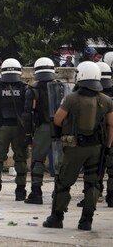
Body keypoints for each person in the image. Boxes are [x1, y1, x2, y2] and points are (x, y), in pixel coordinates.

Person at [43, 61, 113, 231]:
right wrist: (108, 147)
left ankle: (57, 217)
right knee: (93, 183)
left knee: (64, 182)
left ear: (80, 76)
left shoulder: (71, 98)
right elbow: (111, 125)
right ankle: (86, 221)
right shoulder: (106, 100)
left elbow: (58, 120)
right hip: (97, 147)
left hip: (74, 147)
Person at [0, 58, 28, 201]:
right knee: (20, 159)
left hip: (2, 127)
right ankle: (20, 191)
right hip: (19, 128)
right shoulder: (24, 87)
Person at [23, 57, 57, 205]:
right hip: (59, 127)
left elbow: (27, 114)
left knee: (37, 160)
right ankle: (60, 192)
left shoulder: (33, 90)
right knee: (59, 162)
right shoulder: (60, 87)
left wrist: (28, 134)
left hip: (42, 127)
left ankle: (36, 192)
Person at [97, 62, 113, 207]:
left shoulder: (93, 94)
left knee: (96, 167)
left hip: (98, 134)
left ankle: (95, 193)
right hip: (110, 134)